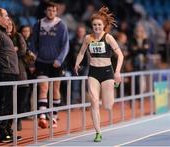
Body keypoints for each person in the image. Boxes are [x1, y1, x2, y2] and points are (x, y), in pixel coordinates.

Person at [74, 6, 124, 142]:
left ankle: (115, 84)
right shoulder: (88, 38)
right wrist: (77, 63)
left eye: (99, 25)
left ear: (104, 25)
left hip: (107, 72)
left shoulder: (108, 38)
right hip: (93, 72)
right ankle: (98, 132)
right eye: (94, 25)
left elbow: (120, 55)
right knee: (94, 102)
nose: (96, 27)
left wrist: (117, 72)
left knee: (107, 106)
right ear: (92, 26)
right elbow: (81, 53)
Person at [30, 2, 69, 129]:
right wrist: (33, 57)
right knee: (43, 88)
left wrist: (60, 59)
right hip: (41, 61)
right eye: (49, 10)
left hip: (56, 63)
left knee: (55, 90)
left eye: (53, 10)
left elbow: (65, 45)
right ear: (45, 11)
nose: (51, 12)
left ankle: (53, 117)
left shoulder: (61, 25)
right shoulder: (38, 24)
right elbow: (33, 42)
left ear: (56, 12)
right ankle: (42, 116)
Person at [0, 8, 22, 143]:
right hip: (3, 73)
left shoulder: (1, 32)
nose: (8, 18)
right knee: (3, 104)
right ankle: (2, 133)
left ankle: (7, 131)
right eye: (6, 16)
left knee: (8, 105)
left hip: (10, 73)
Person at [6, 18, 30, 131]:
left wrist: (15, 50)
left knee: (21, 101)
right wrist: (12, 49)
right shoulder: (2, 35)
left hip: (20, 72)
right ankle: (8, 124)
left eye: (11, 23)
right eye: (7, 24)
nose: (9, 25)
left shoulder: (18, 36)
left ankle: (18, 120)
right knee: (9, 101)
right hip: (7, 72)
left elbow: (23, 50)